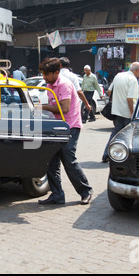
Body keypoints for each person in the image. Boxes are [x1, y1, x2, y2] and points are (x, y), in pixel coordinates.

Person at [38, 57, 94, 205]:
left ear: (56, 72)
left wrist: (43, 107)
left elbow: (64, 108)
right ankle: (57, 195)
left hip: (70, 125)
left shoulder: (64, 85)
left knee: (68, 159)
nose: (44, 77)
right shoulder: (50, 84)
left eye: (46, 74)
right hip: (57, 125)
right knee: (51, 160)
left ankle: (85, 191)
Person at [101, 62, 139, 162]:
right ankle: (127, 158)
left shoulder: (118, 75)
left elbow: (109, 91)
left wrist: (115, 101)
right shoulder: (132, 80)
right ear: (137, 71)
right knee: (129, 135)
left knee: (115, 133)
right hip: (127, 112)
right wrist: (132, 113)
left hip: (117, 111)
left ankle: (106, 154)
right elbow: (129, 99)